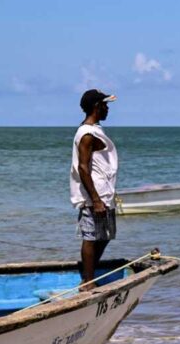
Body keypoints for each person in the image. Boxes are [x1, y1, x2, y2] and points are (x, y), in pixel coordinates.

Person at [70, 89, 119, 291]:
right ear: (97, 107)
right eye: (105, 105)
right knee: (90, 237)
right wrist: (96, 200)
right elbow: (83, 167)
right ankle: (87, 282)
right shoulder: (87, 134)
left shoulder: (95, 129)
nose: (108, 109)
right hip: (95, 195)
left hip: (104, 193)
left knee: (105, 236)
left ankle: (88, 272)